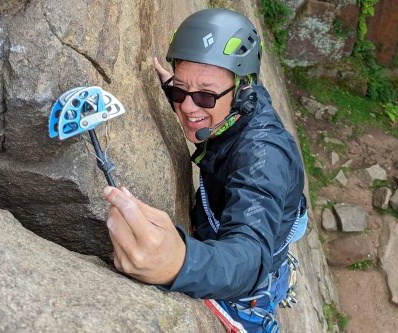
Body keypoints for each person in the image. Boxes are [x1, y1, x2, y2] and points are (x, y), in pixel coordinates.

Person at [103, 8, 307, 333]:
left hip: (251, 281)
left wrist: (181, 263)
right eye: (179, 92)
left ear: (241, 89)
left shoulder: (263, 157)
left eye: (205, 96)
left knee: (252, 317)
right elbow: (199, 93)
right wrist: (182, 88)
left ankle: (268, 301)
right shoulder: (240, 103)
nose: (186, 106)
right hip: (261, 219)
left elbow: (250, 255)